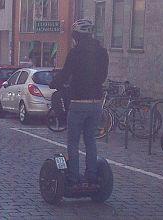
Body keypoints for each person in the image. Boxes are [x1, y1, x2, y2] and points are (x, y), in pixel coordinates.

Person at [49, 19, 109, 186]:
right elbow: (103, 77)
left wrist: (54, 83)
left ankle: (74, 177)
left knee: (73, 142)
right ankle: (91, 175)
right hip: (96, 102)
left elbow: (65, 74)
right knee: (90, 139)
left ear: (76, 35)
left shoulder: (75, 53)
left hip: (78, 102)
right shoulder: (102, 52)